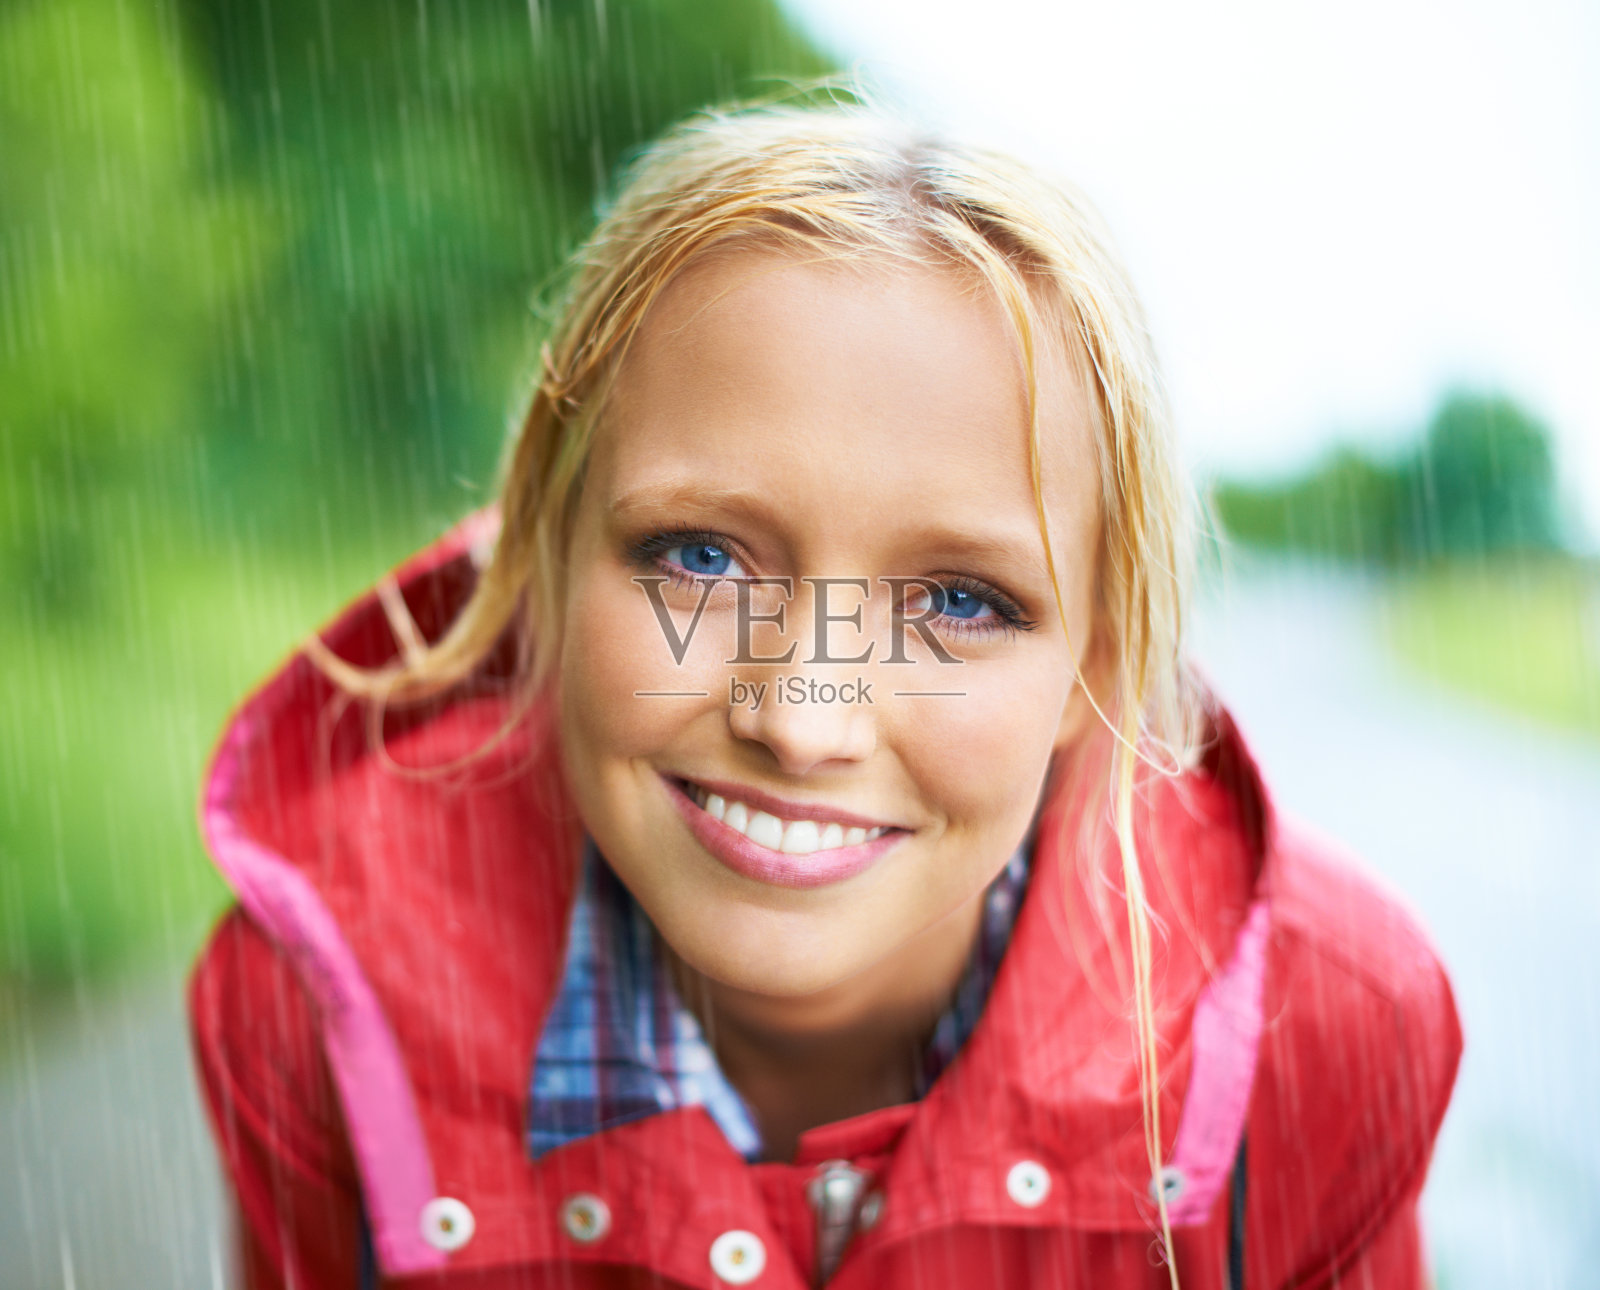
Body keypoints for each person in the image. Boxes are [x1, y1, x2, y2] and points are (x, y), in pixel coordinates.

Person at [188, 99, 1462, 1290]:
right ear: (542, 564)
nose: (800, 719)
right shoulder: (316, 1006)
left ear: (1096, 671)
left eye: (959, 602)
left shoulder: (1320, 1032)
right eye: (699, 556)